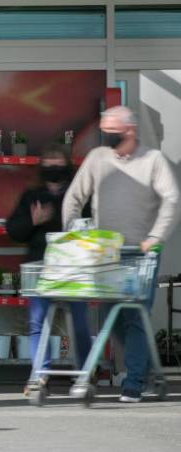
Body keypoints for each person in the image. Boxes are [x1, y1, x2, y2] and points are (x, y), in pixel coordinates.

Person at [62, 105, 180, 403]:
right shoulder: (98, 159)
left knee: (133, 317)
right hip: (106, 254)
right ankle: (151, 371)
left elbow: (172, 200)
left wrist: (155, 237)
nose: (106, 136)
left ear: (130, 130)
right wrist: (73, 234)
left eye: (111, 130)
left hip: (140, 255)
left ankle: (135, 383)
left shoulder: (153, 161)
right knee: (112, 319)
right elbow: (75, 196)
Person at [6, 144, 91, 394]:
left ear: (68, 165)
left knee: (79, 322)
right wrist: (33, 221)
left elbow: (90, 226)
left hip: (74, 266)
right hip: (40, 266)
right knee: (37, 321)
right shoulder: (32, 197)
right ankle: (40, 375)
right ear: (41, 167)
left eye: (58, 161)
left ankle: (85, 373)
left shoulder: (79, 196)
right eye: (49, 161)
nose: (54, 166)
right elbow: (13, 230)